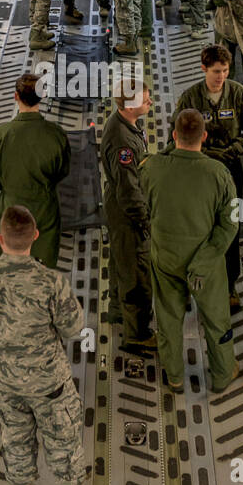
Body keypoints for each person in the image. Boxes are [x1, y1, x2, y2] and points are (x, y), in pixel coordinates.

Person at [0, 205, 108, 485]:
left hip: (3, 379)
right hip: (47, 383)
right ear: (36, 236)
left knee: (15, 434)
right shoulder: (51, 282)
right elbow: (74, 328)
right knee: (62, 436)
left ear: (1, 239)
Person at [141, 108, 239, 393]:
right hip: (204, 262)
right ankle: (221, 374)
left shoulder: (152, 167)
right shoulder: (219, 173)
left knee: (169, 318)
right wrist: (206, 258)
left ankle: (173, 376)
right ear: (205, 136)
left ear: (173, 135)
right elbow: (231, 223)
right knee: (216, 318)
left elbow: (145, 200)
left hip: (166, 257)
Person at [171, 44, 243, 310]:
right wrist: (205, 153)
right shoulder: (189, 99)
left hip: (232, 170)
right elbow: (174, 135)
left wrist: (232, 151)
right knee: (197, 227)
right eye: (215, 71)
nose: (220, 76)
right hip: (199, 172)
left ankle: (229, 284)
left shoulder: (238, 94)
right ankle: (191, 282)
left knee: (231, 225)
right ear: (204, 69)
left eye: (224, 71)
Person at [0, 72, 71, 270]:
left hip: (10, 210)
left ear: (16, 96)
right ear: (42, 96)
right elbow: (63, 171)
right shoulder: (57, 135)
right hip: (45, 210)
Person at [99, 80, 156, 351]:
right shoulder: (123, 141)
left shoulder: (124, 123)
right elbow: (129, 190)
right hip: (127, 213)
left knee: (121, 262)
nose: (151, 103)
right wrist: (146, 222)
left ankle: (118, 311)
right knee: (136, 272)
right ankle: (137, 334)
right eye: (146, 99)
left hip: (118, 206)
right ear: (130, 105)